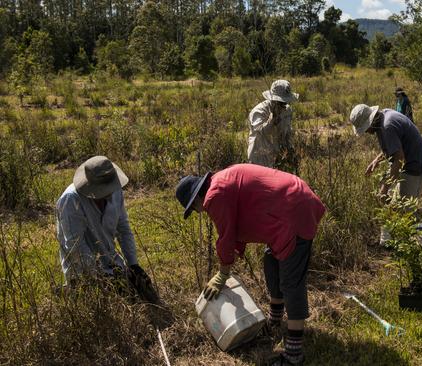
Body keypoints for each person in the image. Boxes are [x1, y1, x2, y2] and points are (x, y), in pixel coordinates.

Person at [175, 164, 326, 366]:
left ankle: (294, 354)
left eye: (193, 209)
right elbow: (239, 222)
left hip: (293, 212)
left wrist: (223, 273)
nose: (197, 212)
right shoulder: (220, 183)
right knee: (271, 263)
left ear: (196, 199)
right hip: (287, 208)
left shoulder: (214, 196)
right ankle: (275, 321)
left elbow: (226, 237)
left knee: (291, 281)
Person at [56, 156, 157, 302]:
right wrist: (100, 277)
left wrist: (133, 265)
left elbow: (123, 229)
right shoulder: (71, 200)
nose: (107, 192)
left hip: (112, 263)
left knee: (143, 296)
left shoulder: (116, 192)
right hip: (84, 270)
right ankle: (71, 290)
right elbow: (76, 245)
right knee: (103, 302)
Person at [349, 104, 422, 246]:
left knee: (405, 209)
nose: (367, 132)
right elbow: (394, 146)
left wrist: (385, 187)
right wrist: (376, 160)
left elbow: (399, 158)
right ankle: (391, 242)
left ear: (371, 121)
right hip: (410, 161)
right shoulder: (384, 116)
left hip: (414, 164)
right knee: (394, 205)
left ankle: (411, 243)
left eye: (366, 128)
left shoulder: (387, 126)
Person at [248, 79, 299, 171]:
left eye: (285, 102)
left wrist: (291, 151)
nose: (284, 104)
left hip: (278, 157)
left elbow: (287, 133)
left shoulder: (287, 110)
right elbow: (261, 132)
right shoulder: (259, 111)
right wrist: (272, 120)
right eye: (281, 102)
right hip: (259, 158)